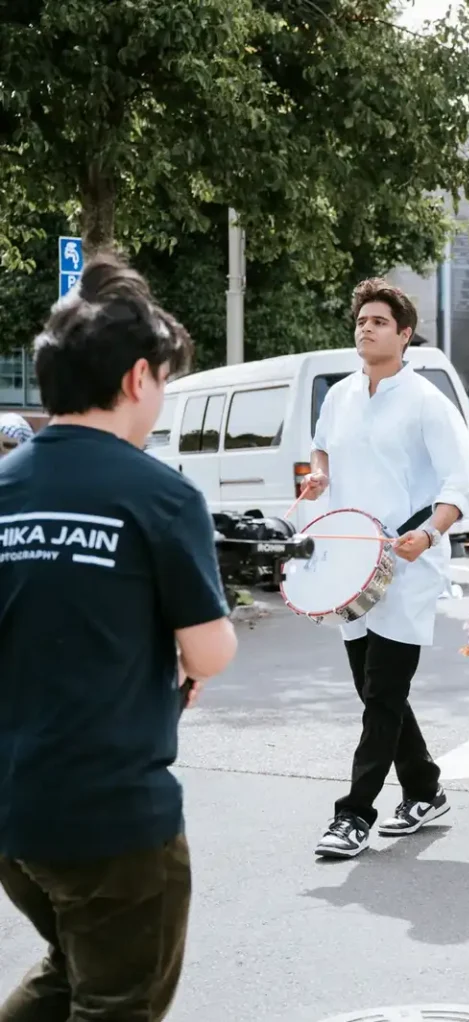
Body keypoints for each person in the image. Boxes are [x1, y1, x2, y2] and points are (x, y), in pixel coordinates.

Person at [0, 252, 238, 1020]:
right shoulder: (160, 496)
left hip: (12, 813)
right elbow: (209, 654)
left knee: (75, 969)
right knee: (118, 1001)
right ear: (140, 378)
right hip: (111, 817)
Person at [302, 279, 469, 859]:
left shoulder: (427, 401)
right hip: (350, 562)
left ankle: (353, 815)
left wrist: (427, 534)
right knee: (372, 687)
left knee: (382, 693)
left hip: (407, 565)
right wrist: (319, 473)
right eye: (362, 320)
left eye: (379, 321)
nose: (366, 328)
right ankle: (425, 789)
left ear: (404, 335)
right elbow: (321, 444)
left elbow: (460, 486)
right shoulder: (340, 395)